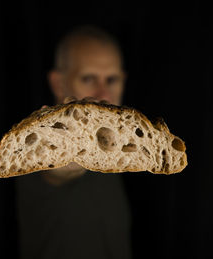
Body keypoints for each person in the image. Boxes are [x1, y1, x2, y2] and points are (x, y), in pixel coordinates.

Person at [16, 25, 131, 259]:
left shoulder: (118, 147)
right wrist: (62, 158)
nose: (104, 93)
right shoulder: (36, 145)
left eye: (112, 79)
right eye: (88, 78)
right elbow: (56, 171)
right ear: (59, 84)